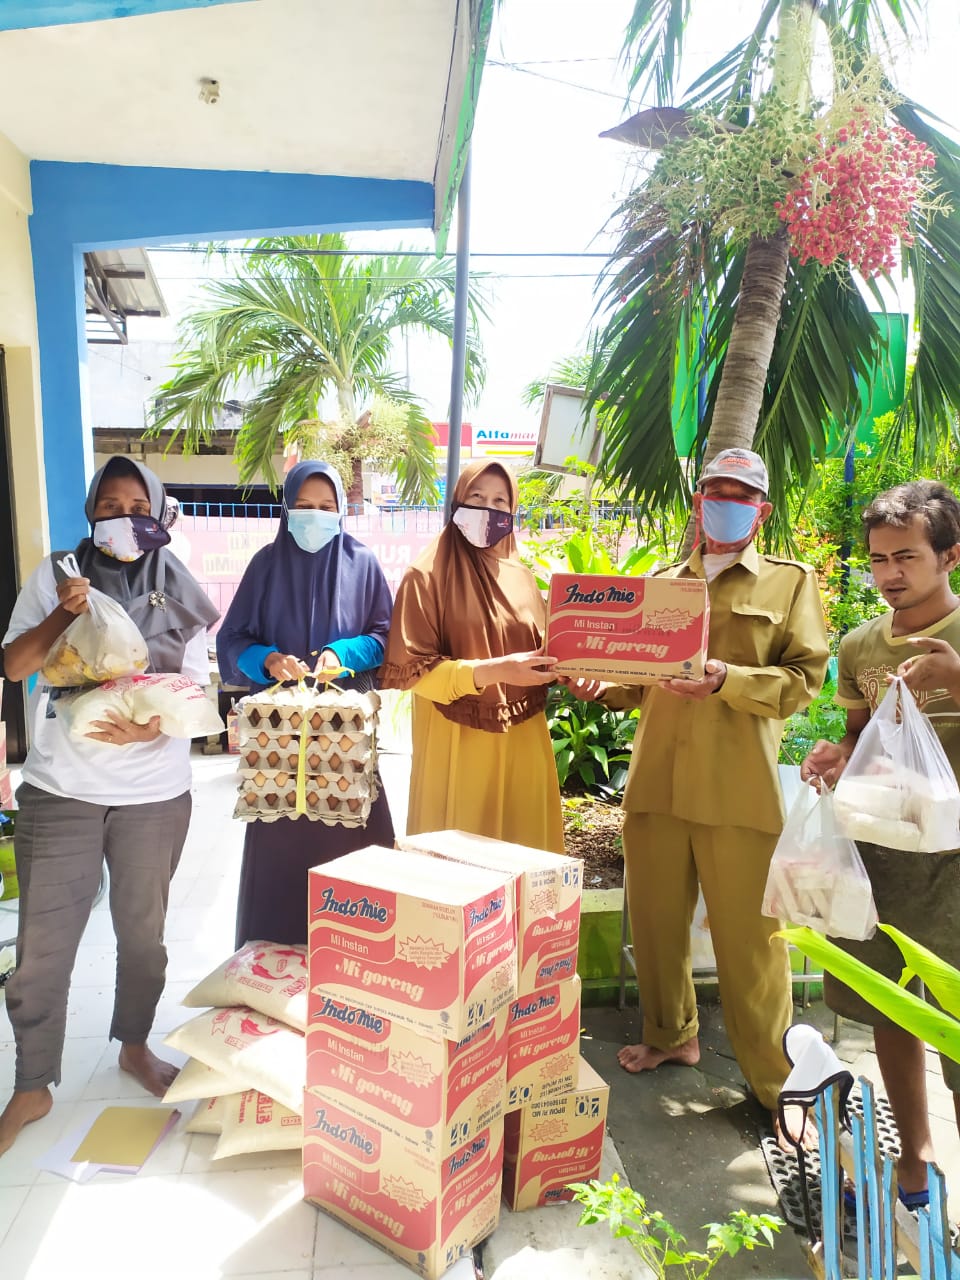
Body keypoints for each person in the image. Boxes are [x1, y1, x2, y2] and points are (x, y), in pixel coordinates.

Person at [582, 448, 829, 1137]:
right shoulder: (662, 583)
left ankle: (777, 1086)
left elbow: (804, 682)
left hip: (737, 789)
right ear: (698, 502)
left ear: (762, 510)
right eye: (715, 490)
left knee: (752, 944)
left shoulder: (789, 584)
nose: (725, 503)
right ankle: (670, 1036)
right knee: (656, 924)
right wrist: (598, 681)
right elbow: (635, 682)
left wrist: (728, 680)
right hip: (657, 782)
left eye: (741, 494)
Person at [0, 456, 219, 1157]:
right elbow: (15, 666)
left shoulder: (180, 586)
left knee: (143, 939)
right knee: (42, 947)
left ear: (159, 512)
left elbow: (195, 692)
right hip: (61, 788)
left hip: (153, 795)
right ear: (91, 511)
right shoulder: (57, 574)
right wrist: (62, 614)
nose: (123, 519)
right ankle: (32, 1083)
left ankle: (134, 1045)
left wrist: (151, 727)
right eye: (109, 506)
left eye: (138, 507)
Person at [802, 480, 960, 1206]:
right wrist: (836, 755)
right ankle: (915, 1154)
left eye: (907, 557)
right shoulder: (861, 645)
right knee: (892, 1007)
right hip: (883, 858)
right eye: (877, 559)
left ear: (950, 556)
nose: (889, 573)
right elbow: (858, 736)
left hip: (955, 868)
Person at [217, 460, 395, 948]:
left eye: (325, 506)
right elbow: (232, 640)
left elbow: (385, 636)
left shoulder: (363, 564)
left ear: (341, 511)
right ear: (286, 510)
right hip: (278, 747)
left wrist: (344, 653)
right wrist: (267, 660)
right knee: (280, 858)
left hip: (345, 742)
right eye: (302, 506)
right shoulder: (265, 565)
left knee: (355, 858)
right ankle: (273, 966)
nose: (314, 515)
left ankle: (358, 960)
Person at [380, 459, 565, 851]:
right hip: (457, 745)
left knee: (524, 859)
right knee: (459, 864)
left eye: (500, 501)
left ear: (512, 511)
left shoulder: (520, 576)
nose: (487, 509)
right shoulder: (425, 576)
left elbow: (546, 650)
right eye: (477, 497)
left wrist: (573, 669)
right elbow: (416, 674)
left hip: (524, 742)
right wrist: (497, 670)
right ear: (457, 503)